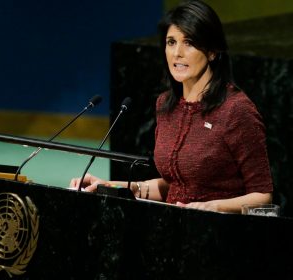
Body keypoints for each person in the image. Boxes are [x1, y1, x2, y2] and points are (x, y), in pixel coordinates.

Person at [70, 0, 273, 213]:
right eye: (171, 42)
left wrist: (213, 207)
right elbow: (175, 185)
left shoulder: (236, 110)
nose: (177, 53)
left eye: (189, 43)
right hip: (173, 230)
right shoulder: (166, 105)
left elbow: (263, 196)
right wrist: (110, 186)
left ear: (212, 51)